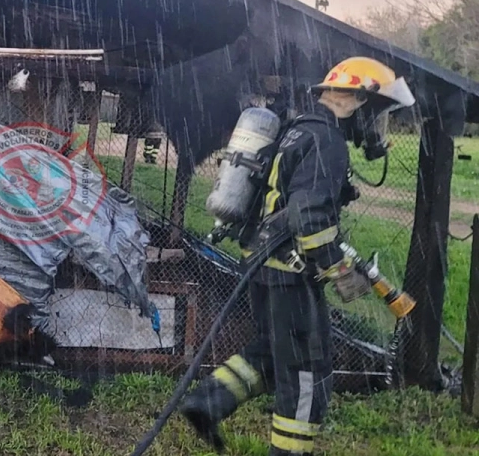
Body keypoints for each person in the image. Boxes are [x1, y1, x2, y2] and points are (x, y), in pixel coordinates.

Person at [178, 56, 416, 456]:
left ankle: (208, 402)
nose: (377, 127)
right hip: (291, 272)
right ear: (358, 101)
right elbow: (309, 214)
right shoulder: (328, 140)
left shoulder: (298, 130)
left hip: (262, 264)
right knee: (308, 375)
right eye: (378, 113)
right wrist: (335, 269)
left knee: (273, 351)